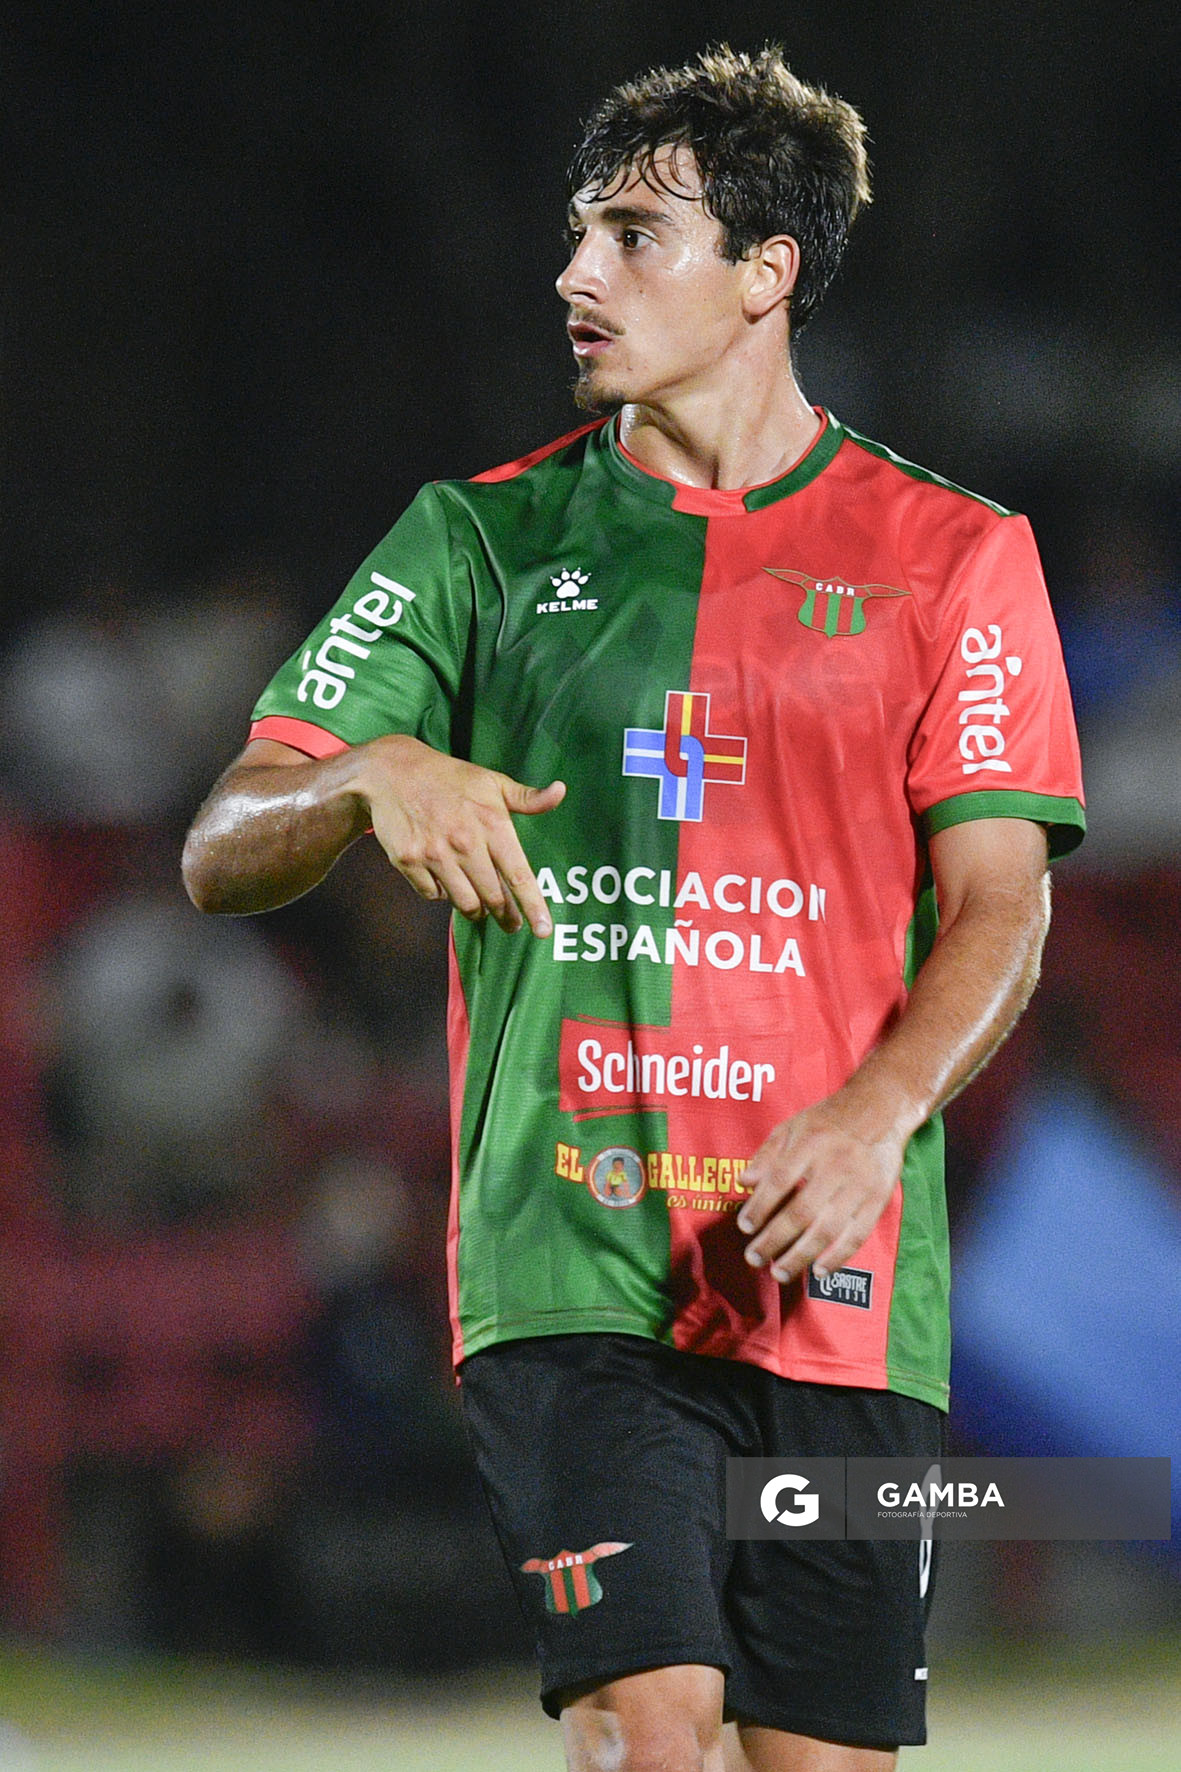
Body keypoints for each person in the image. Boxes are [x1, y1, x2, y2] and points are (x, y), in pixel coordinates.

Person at [182, 44, 1085, 1772]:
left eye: (632, 235)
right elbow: (224, 841)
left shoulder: (957, 557)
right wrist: (369, 770)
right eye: (577, 233)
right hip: (570, 1255)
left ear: (770, 275)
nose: (574, 276)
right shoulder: (475, 543)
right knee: (649, 1723)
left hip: (833, 1266)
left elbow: (999, 907)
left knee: (814, 1759)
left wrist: (877, 1112)